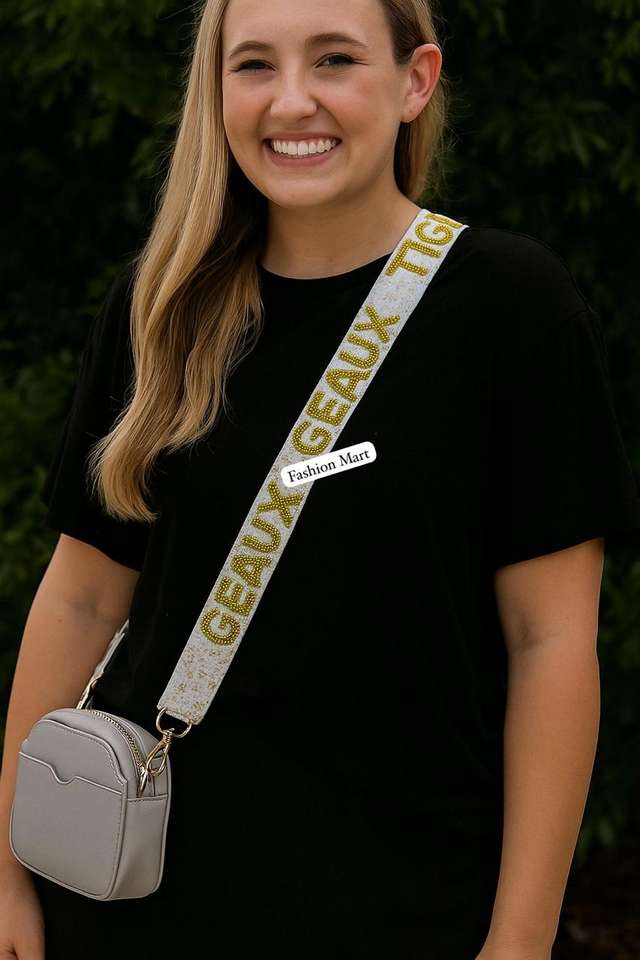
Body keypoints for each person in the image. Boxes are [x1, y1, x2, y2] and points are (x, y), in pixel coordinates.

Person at [1, 0, 640, 957]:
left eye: (335, 59)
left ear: (416, 81)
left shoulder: (512, 308)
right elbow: (84, 599)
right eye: (254, 64)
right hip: (133, 897)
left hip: (409, 906)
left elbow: (549, 642)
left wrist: (520, 938)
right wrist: (7, 871)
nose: (291, 101)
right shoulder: (161, 308)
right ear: (216, 90)